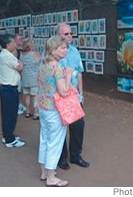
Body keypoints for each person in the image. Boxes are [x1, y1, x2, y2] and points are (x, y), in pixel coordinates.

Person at [37, 36, 73, 186]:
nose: (66, 50)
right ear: (53, 50)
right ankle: (51, 178)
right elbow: (64, 91)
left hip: (43, 107)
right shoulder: (57, 67)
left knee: (44, 139)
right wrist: (69, 74)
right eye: (62, 47)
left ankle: (44, 172)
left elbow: (40, 86)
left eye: (66, 47)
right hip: (54, 110)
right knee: (55, 142)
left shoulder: (43, 65)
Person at [57, 23, 90, 170]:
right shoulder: (52, 53)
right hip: (59, 95)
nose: (70, 36)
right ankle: (62, 158)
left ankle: (76, 156)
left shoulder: (75, 51)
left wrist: (81, 94)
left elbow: (79, 73)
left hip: (74, 96)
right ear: (58, 36)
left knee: (78, 125)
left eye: (71, 33)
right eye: (66, 34)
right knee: (61, 127)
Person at [0, 34, 26, 147]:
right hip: (9, 89)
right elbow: (20, 67)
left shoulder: (6, 54)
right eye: (13, 42)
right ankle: (10, 140)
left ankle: (7, 135)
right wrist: (21, 63)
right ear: (8, 44)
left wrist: (20, 63)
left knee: (7, 113)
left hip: (7, 89)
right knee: (11, 114)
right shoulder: (7, 55)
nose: (15, 44)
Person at [20, 39, 41, 120]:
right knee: (35, 96)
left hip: (25, 78)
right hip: (34, 79)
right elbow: (41, 62)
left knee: (27, 95)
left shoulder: (22, 55)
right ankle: (36, 113)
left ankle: (28, 112)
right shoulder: (35, 54)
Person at [12, 34, 26, 115]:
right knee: (18, 91)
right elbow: (16, 65)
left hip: (18, 75)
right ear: (15, 41)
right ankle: (17, 106)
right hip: (16, 75)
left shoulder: (17, 50)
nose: (22, 40)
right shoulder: (14, 51)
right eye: (20, 39)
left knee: (20, 91)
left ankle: (19, 104)